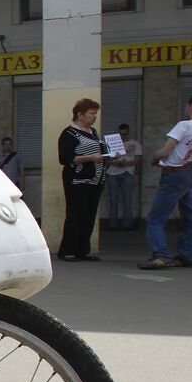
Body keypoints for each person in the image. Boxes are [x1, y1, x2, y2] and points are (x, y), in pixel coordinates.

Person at [139, 95, 192, 270]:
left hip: (173, 174)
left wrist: (156, 158)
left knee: (155, 218)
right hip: (188, 174)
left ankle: (161, 255)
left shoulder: (184, 125)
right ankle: (187, 255)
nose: (185, 108)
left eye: (187, 105)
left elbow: (164, 152)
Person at [56, 97, 107, 262]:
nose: (94, 117)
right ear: (80, 114)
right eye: (92, 113)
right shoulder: (68, 133)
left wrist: (110, 156)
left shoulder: (93, 133)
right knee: (75, 214)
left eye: (95, 114)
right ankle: (68, 250)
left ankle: (83, 250)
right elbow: (65, 158)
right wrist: (90, 158)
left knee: (89, 215)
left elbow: (101, 153)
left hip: (96, 180)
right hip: (77, 180)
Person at [105, 123, 141, 232]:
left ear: (128, 133)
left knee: (127, 200)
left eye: (125, 134)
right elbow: (105, 159)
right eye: (121, 135)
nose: (123, 137)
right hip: (113, 172)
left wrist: (126, 163)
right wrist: (115, 162)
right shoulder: (112, 144)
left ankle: (127, 224)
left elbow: (138, 161)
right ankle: (113, 225)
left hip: (127, 172)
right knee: (113, 200)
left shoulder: (135, 144)